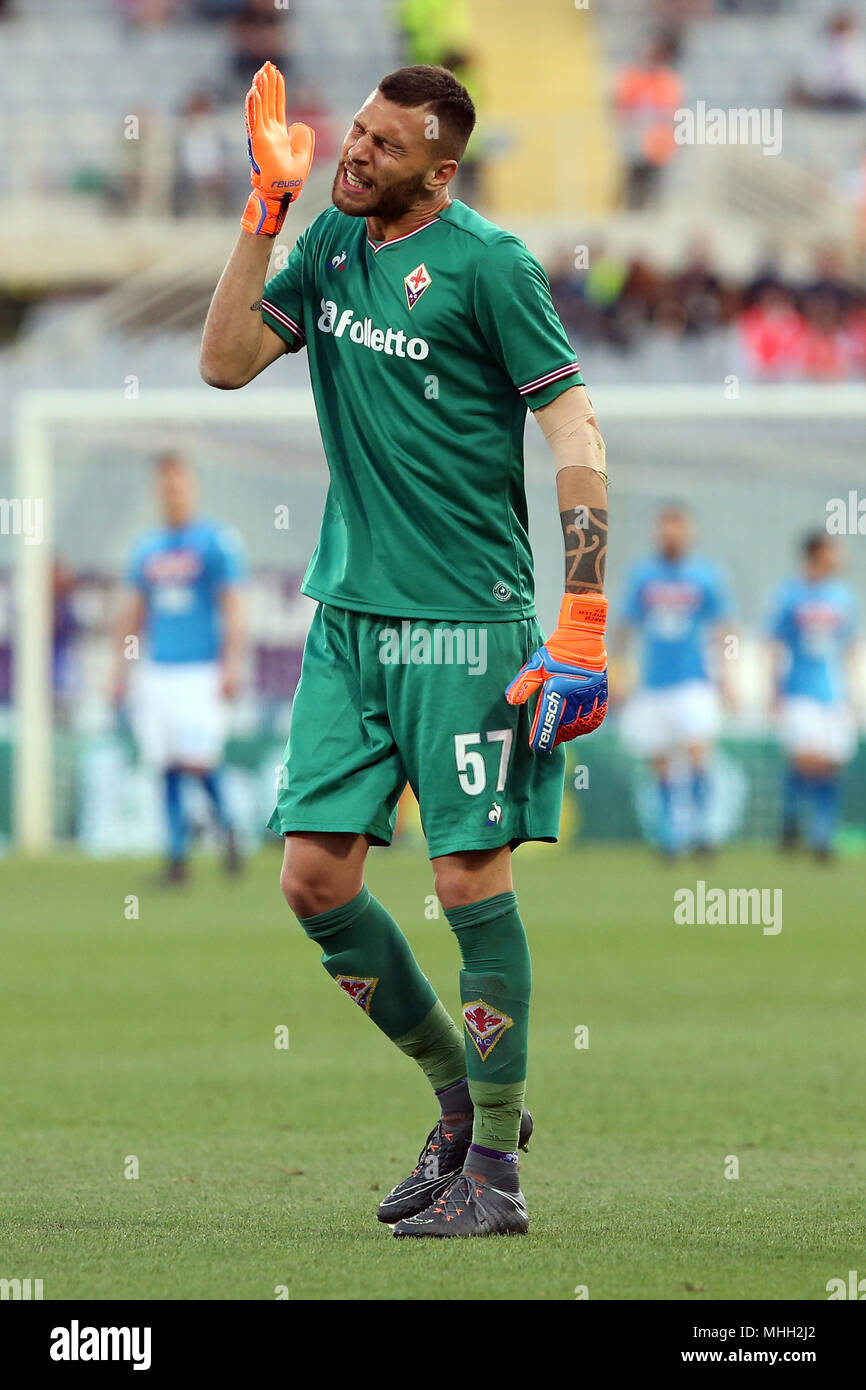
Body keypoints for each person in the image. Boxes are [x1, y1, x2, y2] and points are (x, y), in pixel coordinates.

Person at [200, 61, 609, 1237]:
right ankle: (456, 1103)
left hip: (467, 624)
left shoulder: (490, 264)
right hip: (347, 619)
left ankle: (495, 1175)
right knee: (313, 878)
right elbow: (224, 361)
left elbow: (574, 419)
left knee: (465, 878)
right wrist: (261, 210)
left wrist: (581, 610)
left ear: (438, 169)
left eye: (384, 144)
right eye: (356, 132)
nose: (354, 151)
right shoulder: (327, 242)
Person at [111, 454, 248, 884]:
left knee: (199, 760)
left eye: (179, 482)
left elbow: (233, 605)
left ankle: (228, 831)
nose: (172, 491)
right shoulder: (147, 548)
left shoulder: (215, 542)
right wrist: (120, 671)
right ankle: (176, 860)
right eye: (165, 484)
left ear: (192, 486)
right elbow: (131, 614)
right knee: (166, 764)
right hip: (158, 672)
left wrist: (232, 661)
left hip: (201, 671)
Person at [617, 505, 733, 857]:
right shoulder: (642, 576)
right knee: (660, 760)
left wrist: (727, 674)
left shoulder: (707, 576)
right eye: (666, 527)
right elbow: (625, 627)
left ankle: (702, 829)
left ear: (689, 532)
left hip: (693, 681)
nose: (671, 534)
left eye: (678, 527)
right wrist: (619, 671)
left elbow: (724, 629)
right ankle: (669, 835)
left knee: (698, 753)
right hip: (653, 684)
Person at [767, 532, 859, 861]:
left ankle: (822, 836)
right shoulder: (790, 595)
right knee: (806, 759)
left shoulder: (842, 596)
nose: (837, 558)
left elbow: (847, 648)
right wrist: (773, 690)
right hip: (799, 691)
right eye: (831, 552)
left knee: (831, 763)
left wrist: (851, 693)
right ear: (815, 555)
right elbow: (775, 643)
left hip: (831, 694)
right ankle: (793, 822)